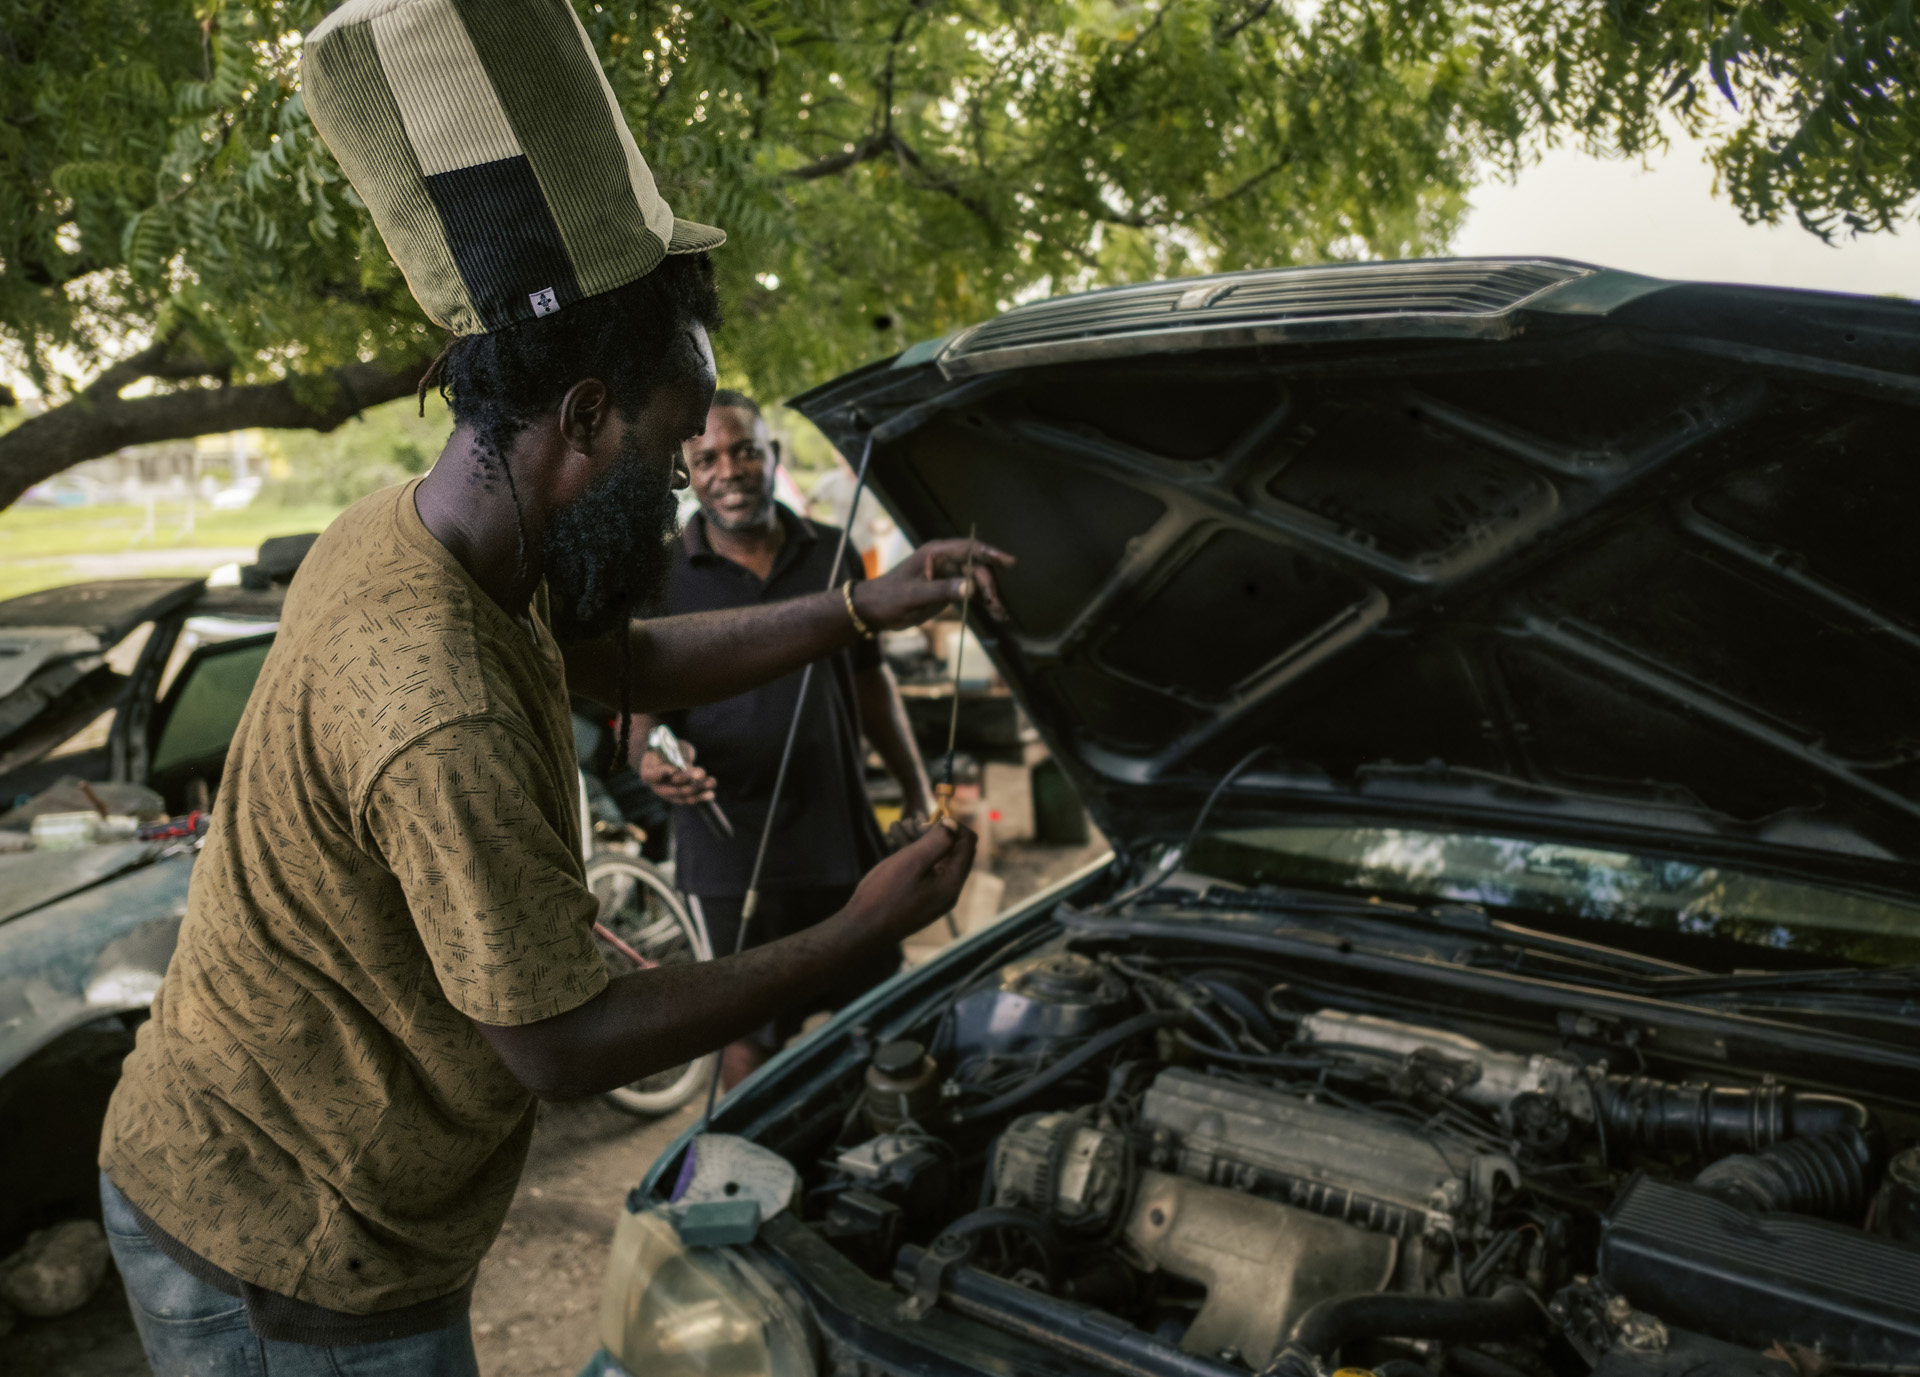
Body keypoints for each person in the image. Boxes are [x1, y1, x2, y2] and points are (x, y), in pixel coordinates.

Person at [93, 3, 1012, 1374]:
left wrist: (861, 606)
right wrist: (857, 932)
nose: (686, 482)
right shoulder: (436, 688)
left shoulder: (430, 531)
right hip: (288, 1246)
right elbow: (560, 1043)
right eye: (669, 444)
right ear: (585, 416)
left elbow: (622, 662)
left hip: (254, 1169)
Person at [631, 391, 934, 1088]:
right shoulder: (661, 576)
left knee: (883, 1020)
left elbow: (870, 686)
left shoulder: (833, 552)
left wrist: (918, 795)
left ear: (773, 457)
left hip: (843, 839)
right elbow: (643, 730)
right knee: (749, 1044)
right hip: (732, 854)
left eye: (744, 450)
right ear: (686, 473)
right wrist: (653, 765)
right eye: (705, 458)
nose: (728, 469)